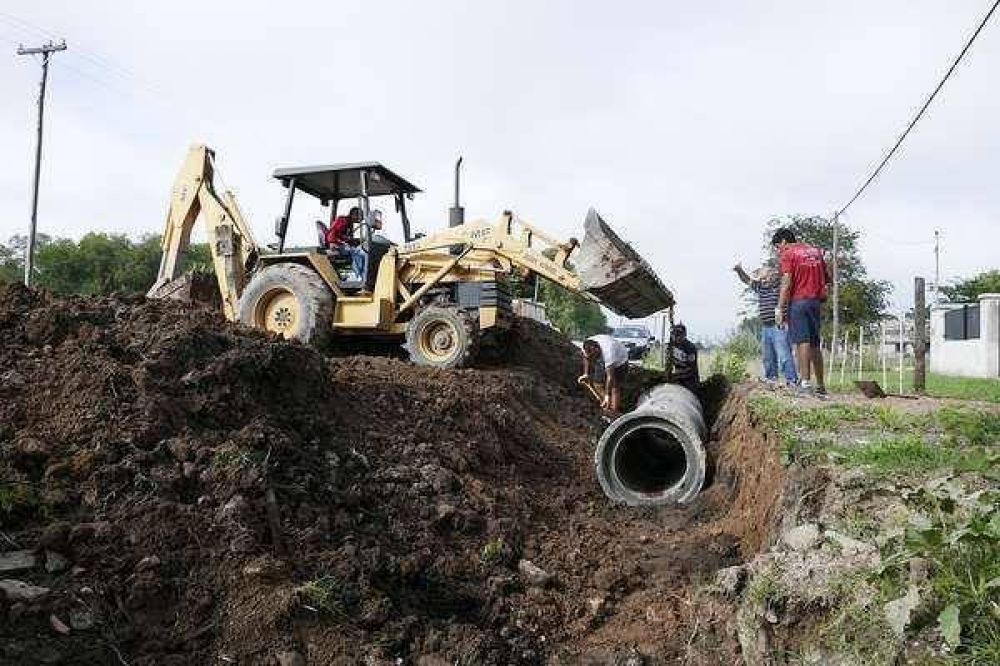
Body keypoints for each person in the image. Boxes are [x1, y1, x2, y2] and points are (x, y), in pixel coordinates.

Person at [772, 228, 832, 396]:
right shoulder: (815, 251)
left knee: (801, 342)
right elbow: (828, 277)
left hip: (798, 301)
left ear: (783, 241)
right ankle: (820, 385)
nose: (779, 251)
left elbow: (786, 282)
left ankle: (805, 383)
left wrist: (780, 307)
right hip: (815, 302)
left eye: (778, 247)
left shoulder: (789, 253)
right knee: (814, 344)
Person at [734, 262, 799, 386]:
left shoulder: (781, 287)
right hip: (766, 327)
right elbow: (746, 280)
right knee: (768, 357)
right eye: (761, 279)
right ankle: (771, 379)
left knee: (784, 355)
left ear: (773, 276)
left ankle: (792, 380)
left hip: (779, 326)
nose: (762, 281)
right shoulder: (761, 288)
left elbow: (788, 282)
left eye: (764, 278)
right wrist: (739, 271)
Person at [579, 333, 629, 413]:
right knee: (597, 384)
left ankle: (613, 412)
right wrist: (586, 374)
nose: (593, 358)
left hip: (620, 361)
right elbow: (586, 358)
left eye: (594, 355)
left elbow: (610, 377)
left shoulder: (609, 351)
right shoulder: (586, 345)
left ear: (597, 349)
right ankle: (606, 406)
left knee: (615, 387)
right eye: (591, 356)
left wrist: (607, 395)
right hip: (603, 358)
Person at [325, 206, 366, 280]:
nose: (361, 219)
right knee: (358, 253)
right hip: (336, 246)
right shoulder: (342, 220)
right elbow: (332, 232)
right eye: (360, 216)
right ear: (354, 215)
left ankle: (361, 274)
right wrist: (332, 242)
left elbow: (346, 238)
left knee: (362, 252)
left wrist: (358, 240)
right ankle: (360, 277)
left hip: (343, 245)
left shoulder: (350, 224)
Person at [667, 324, 700, 393]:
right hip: (677, 377)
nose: (677, 337)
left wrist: (676, 376)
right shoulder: (671, 346)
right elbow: (669, 363)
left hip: (689, 379)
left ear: (684, 335)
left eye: (679, 335)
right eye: (674, 335)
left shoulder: (690, 348)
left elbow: (691, 369)